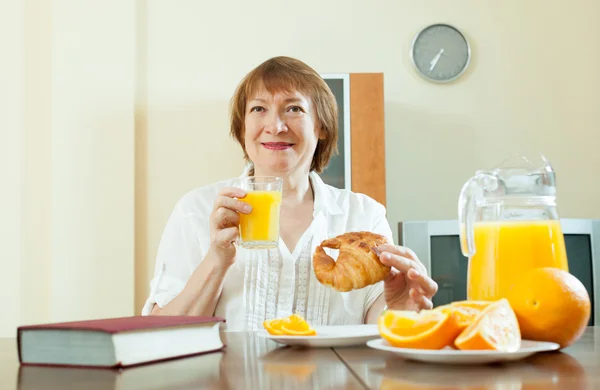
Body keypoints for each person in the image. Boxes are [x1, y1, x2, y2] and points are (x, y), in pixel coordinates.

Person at [142, 56, 438, 330]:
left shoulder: (363, 216)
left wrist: (400, 308)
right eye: (259, 109)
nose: (276, 126)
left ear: (321, 125)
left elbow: (379, 332)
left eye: (294, 108)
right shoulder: (196, 209)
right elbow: (160, 334)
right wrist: (217, 260)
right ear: (243, 126)